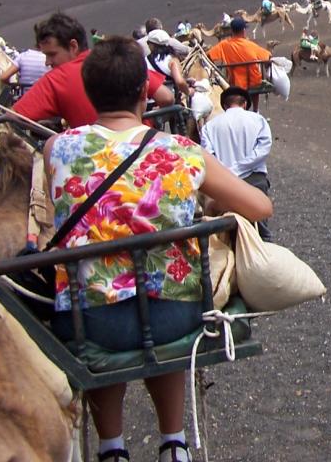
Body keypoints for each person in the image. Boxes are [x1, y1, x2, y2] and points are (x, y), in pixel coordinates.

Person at [44, 36, 272, 462]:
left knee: (105, 321)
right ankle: (174, 441)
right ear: (144, 92)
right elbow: (260, 205)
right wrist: (209, 201)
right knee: (162, 307)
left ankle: (112, 446)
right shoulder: (180, 150)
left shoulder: (57, 148)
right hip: (173, 315)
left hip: (90, 320)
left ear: (90, 93)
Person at [14, 13, 173, 128]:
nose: (48, 62)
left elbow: (13, 117)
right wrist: (147, 120)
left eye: (52, 54)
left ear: (73, 46)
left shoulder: (55, 79)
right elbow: (166, 97)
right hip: (142, 149)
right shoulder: (118, 58)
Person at [201, 85, 275, 241]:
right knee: (261, 232)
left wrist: (228, 171)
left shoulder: (209, 127)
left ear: (225, 105)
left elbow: (208, 156)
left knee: (224, 234)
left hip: (224, 184)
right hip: (254, 180)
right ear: (245, 104)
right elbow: (263, 149)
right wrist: (241, 167)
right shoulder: (258, 120)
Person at [206, 17, 271, 112]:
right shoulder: (250, 45)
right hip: (253, 81)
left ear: (231, 30)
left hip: (235, 82)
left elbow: (209, 56)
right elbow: (267, 56)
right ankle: (256, 109)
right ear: (244, 30)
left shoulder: (224, 45)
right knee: (255, 79)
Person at [146, 29, 191, 97]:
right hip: (169, 101)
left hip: (148, 102)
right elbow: (180, 82)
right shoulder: (172, 60)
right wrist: (189, 92)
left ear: (152, 45)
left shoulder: (143, 61)